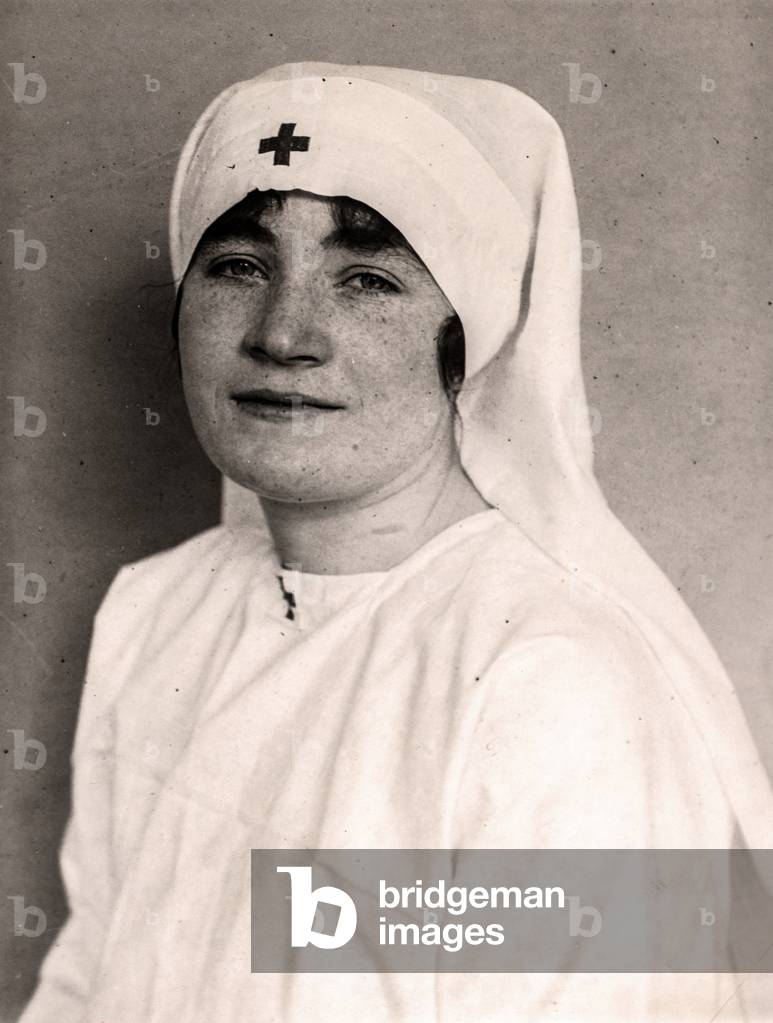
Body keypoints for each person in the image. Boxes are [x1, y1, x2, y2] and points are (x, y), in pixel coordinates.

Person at [20, 61, 773, 1022]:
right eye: (240, 265)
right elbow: (91, 980)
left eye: (368, 279)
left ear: (471, 336)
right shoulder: (158, 609)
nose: (285, 333)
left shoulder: (551, 676)